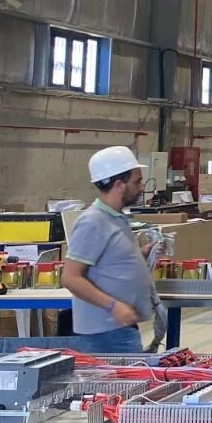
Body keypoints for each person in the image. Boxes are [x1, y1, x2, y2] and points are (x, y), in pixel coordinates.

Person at [64, 146, 156, 353]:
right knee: (123, 386)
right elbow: (71, 278)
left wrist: (139, 256)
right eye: (137, 181)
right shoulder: (93, 221)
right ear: (119, 185)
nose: (141, 187)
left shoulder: (115, 218)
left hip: (119, 327)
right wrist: (113, 306)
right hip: (105, 332)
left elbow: (109, 261)